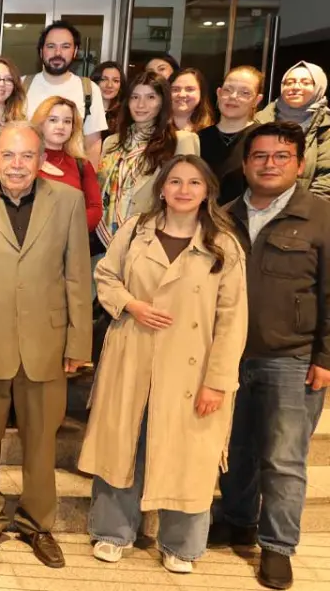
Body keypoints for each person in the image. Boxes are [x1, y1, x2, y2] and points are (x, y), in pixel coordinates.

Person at [81, 155, 247, 574]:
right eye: (175, 181)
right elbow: (105, 276)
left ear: (207, 191)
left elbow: (232, 319)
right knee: (122, 443)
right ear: (162, 188)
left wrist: (218, 381)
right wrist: (130, 304)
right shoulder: (136, 230)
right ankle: (112, 531)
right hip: (132, 354)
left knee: (189, 454)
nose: (183, 190)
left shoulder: (223, 244)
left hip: (191, 367)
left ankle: (181, 544)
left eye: (194, 182)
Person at [0, 121, 91, 570]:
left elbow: (77, 276)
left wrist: (78, 342)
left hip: (46, 342)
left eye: (27, 155)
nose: (17, 164)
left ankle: (37, 523)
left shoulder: (68, 201)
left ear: (41, 160)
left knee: (42, 444)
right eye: (8, 155)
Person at [215, 121, 330, 590]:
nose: (269, 164)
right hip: (231, 356)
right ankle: (238, 520)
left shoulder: (320, 217)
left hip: (292, 357)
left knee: (283, 458)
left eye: (281, 156)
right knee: (236, 448)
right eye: (260, 156)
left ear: (299, 165)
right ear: (245, 164)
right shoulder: (224, 217)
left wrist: (325, 357)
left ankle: (278, 545)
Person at [97, 71, 200, 248]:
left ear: (163, 102)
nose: (141, 104)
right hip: (103, 239)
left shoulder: (180, 141)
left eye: (150, 97)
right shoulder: (111, 142)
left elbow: (189, 196)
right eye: (135, 97)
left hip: (151, 240)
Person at [24, 21, 108, 166]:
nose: (58, 53)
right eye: (51, 46)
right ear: (41, 51)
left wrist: (89, 178)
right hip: (26, 173)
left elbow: (92, 143)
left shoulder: (89, 89)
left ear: (75, 51)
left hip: (71, 174)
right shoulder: (22, 85)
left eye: (65, 46)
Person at [254, 61, 330, 198]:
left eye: (305, 83)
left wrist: (305, 208)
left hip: (306, 206)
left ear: (319, 87)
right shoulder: (259, 121)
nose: (295, 87)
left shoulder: (326, 126)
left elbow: (326, 179)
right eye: (289, 83)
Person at [33, 97, 102, 232]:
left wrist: (68, 230)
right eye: (53, 120)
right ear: (40, 123)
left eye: (67, 121)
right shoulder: (25, 160)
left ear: (73, 128)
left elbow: (95, 209)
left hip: (73, 240)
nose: (60, 126)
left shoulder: (82, 164)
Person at [199, 66, 263, 204]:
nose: (233, 97)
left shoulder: (263, 139)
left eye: (244, 93)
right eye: (228, 90)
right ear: (219, 93)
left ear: (256, 100)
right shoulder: (198, 138)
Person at [171, 68, 214, 133]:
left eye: (190, 89)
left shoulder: (211, 131)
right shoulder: (157, 127)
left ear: (201, 92)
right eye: (175, 89)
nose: (182, 95)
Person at [93, 61, 124, 139]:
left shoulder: (124, 115)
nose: (109, 85)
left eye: (115, 81)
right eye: (104, 79)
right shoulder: (82, 109)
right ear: (95, 81)